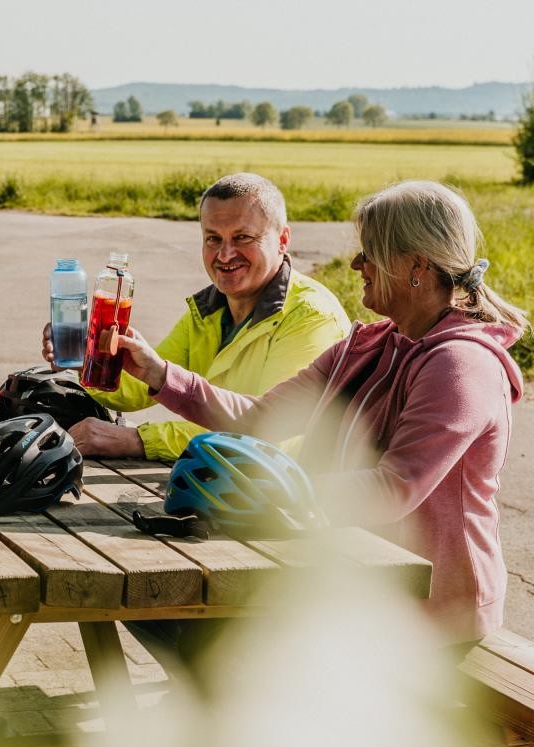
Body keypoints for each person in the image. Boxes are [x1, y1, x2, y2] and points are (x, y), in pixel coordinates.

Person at [117, 180, 526, 646]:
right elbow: (262, 420)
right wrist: (158, 373)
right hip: (345, 582)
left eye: (369, 252)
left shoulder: (460, 365)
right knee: (165, 613)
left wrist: (268, 497)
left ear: (417, 265)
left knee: (197, 634)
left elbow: (395, 487)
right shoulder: (367, 345)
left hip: (428, 614)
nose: (356, 264)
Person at [42, 172, 351, 460]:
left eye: (242, 237)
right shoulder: (210, 310)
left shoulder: (312, 318)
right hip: (224, 486)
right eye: (213, 238)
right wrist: (87, 361)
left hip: (296, 508)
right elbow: (138, 390)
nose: (225, 255)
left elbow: (267, 433)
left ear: (283, 240)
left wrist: (138, 440)